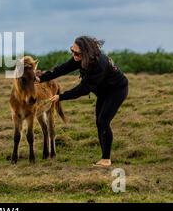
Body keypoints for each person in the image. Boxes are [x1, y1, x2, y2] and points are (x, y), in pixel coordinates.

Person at [35, 36, 128, 167]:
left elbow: (83, 89)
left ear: (86, 52)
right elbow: (61, 69)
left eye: (77, 53)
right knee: (99, 122)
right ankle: (105, 156)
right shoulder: (80, 58)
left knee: (103, 121)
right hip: (102, 92)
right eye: (72, 50)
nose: (74, 55)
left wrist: (61, 96)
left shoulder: (98, 64)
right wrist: (41, 78)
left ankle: (106, 159)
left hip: (116, 91)